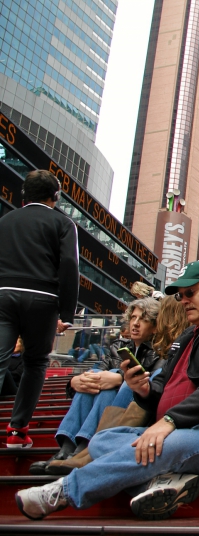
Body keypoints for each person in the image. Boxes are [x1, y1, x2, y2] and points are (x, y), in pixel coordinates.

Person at [15, 261, 199, 521]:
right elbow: (166, 387)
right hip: (185, 430)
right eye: (180, 296)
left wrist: (170, 421)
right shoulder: (187, 336)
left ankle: (63, 491)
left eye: (190, 293)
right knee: (102, 440)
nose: (183, 300)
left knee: (167, 444)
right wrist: (144, 390)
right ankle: (153, 486)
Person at [30, 298, 165, 475]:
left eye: (144, 319)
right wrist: (75, 382)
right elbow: (97, 373)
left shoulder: (160, 352)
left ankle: (83, 447)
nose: (135, 323)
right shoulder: (118, 347)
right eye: (133, 318)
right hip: (108, 400)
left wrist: (119, 377)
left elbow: (153, 383)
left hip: (132, 404)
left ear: (155, 327)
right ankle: (67, 449)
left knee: (110, 381)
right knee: (93, 380)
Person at [0, 170, 78, 448]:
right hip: (42, 298)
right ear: (55, 197)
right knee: (35, 363)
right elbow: (69, 266)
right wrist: (67, 313)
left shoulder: (5, 220)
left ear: (24, 196)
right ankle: (17, 431)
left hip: (3, 294)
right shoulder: (63, 223)